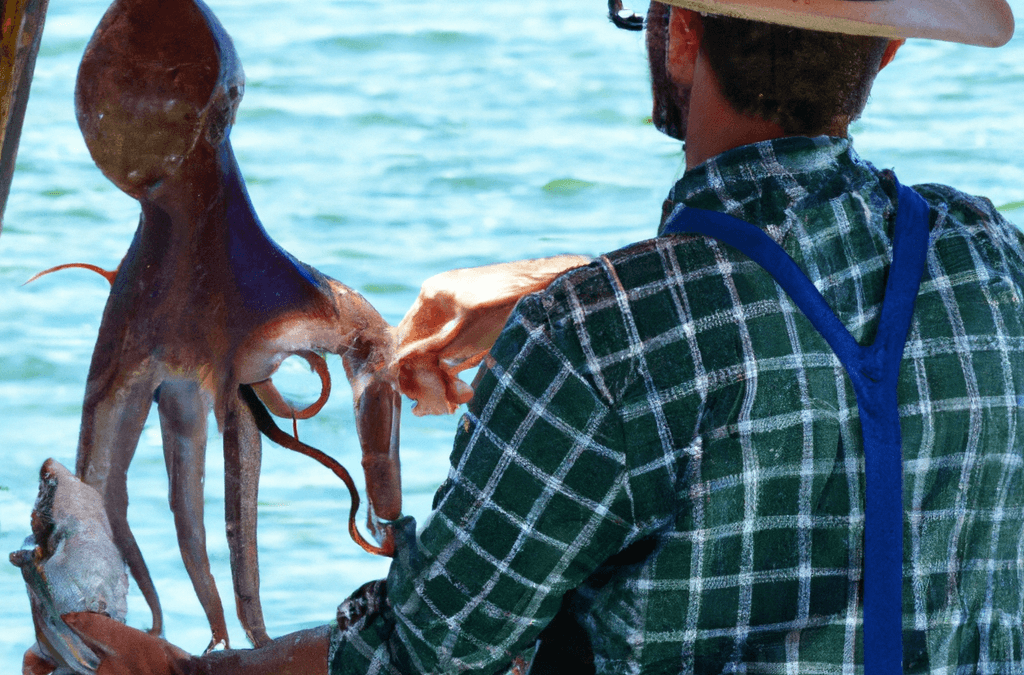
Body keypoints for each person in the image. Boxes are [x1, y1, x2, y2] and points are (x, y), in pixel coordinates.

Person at [62, 0, 1023, 673]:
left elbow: (424, 655)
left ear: (684, 35)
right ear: (887, 48)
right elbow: (801, 287)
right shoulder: (990, 259)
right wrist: (553, 283)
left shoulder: (593, 341)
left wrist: (183, 671)